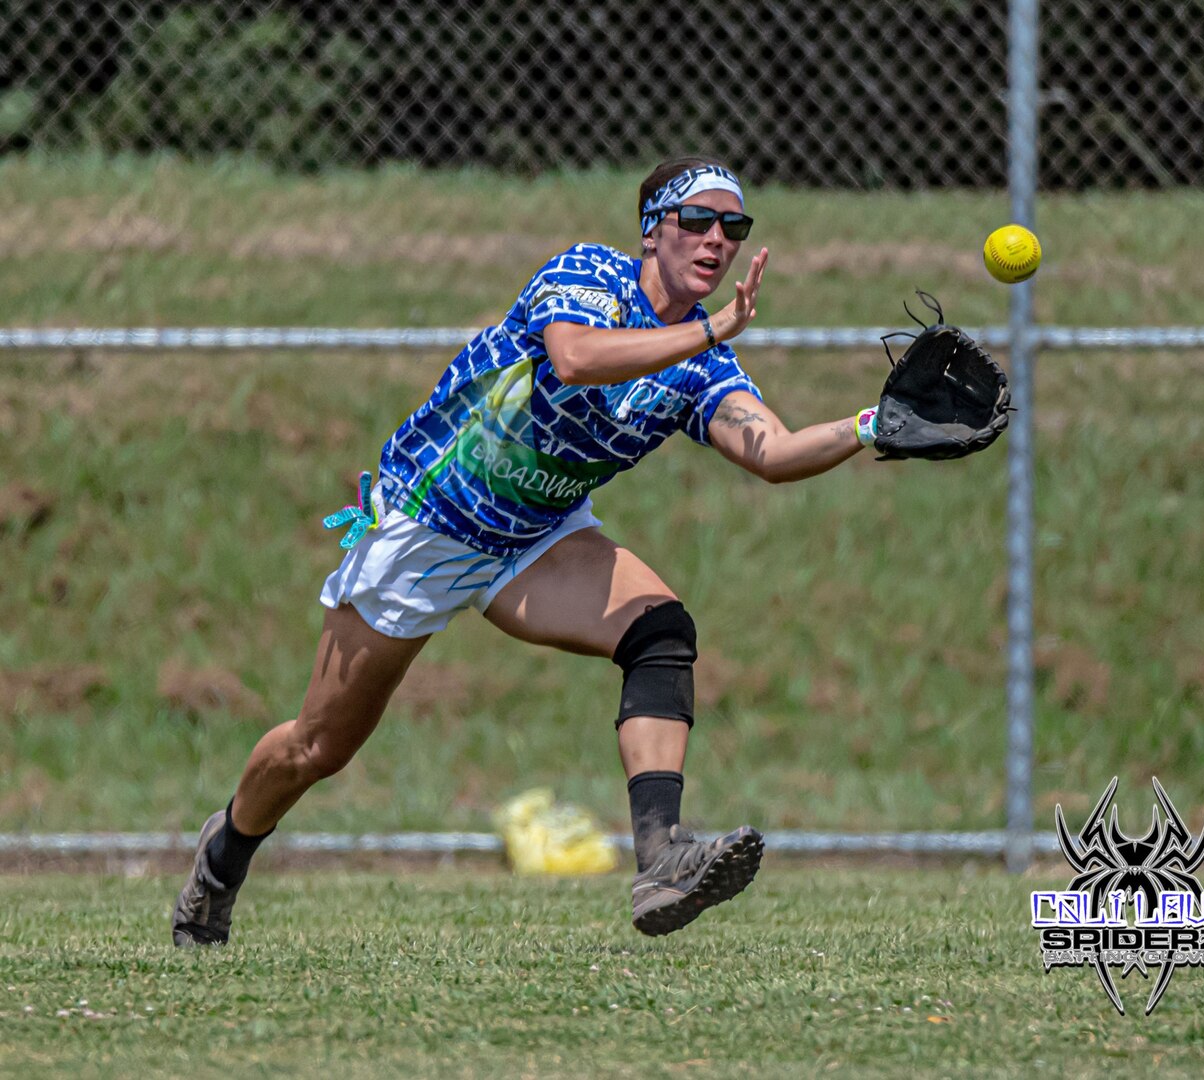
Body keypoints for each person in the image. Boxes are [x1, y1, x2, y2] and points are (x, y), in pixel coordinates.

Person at [172, 155, 884, 945]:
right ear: (652, 229)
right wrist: (710, 329)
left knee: (660, 632)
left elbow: (771, 453)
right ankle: (224, 857)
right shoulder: (587, 274)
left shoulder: (701, 362)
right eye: (697, 221)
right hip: (428, 522)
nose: (717, 240)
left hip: (534, 536)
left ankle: (661, 857)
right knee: (317, 746)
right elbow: (575, 357)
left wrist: (870, 427)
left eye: (733, 227)